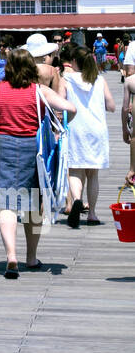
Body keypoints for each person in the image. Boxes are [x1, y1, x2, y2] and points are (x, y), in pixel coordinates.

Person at [0, 47, 76, 278]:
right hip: (33, 149)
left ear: (9, 67)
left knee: (6, 203)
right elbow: (70, 109)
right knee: (33, 203)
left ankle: (11, 256)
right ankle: (31, 258)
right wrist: (57, 130)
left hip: (2, 147)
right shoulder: (39, 90)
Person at [63, 46, 115, 227]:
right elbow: (111, 106)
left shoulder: (67, 79)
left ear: (75, 62)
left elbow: (60, 104)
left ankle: (77, 199)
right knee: (93, 174)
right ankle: (92, 214)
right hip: (97, 130)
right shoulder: (99, 80)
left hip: (75, 128)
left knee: (75, 170)